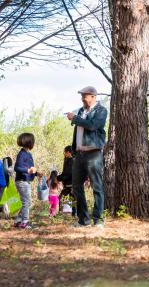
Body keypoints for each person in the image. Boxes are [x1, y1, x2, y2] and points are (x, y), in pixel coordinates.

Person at [66, 86, 107, 228]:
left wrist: (75, 118)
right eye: (82, 97)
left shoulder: (101, 110)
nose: (83, 99)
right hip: (79, 154)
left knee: (97, 186)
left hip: (93, 153)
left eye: (85, 96)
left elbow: (93, 125)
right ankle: (83, 220)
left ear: (93, 97)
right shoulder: (81, 111)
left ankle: (99, 220)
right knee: (76, 186)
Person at [13, 133, 38, 229]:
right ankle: (25, 222)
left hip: (25, 181)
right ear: (29, 142)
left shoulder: (28, 154)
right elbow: (17, 168)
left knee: (26, 202)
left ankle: (18, 221)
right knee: (26, 202)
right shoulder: (22, 154)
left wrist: (36, 173)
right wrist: (28, 171)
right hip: (22, 181)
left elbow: (30, 168)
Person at [57, 146, 75, 217]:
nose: (64, 153)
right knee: (62, 197)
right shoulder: (67, 160)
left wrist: (58, 178)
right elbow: (64, 172)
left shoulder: (72, 161)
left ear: (68, 152)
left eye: (65, 152)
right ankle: (61, 212)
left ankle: (74, 213)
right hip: (67, 184)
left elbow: (68, 173)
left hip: (72, 184)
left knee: (72, 199)